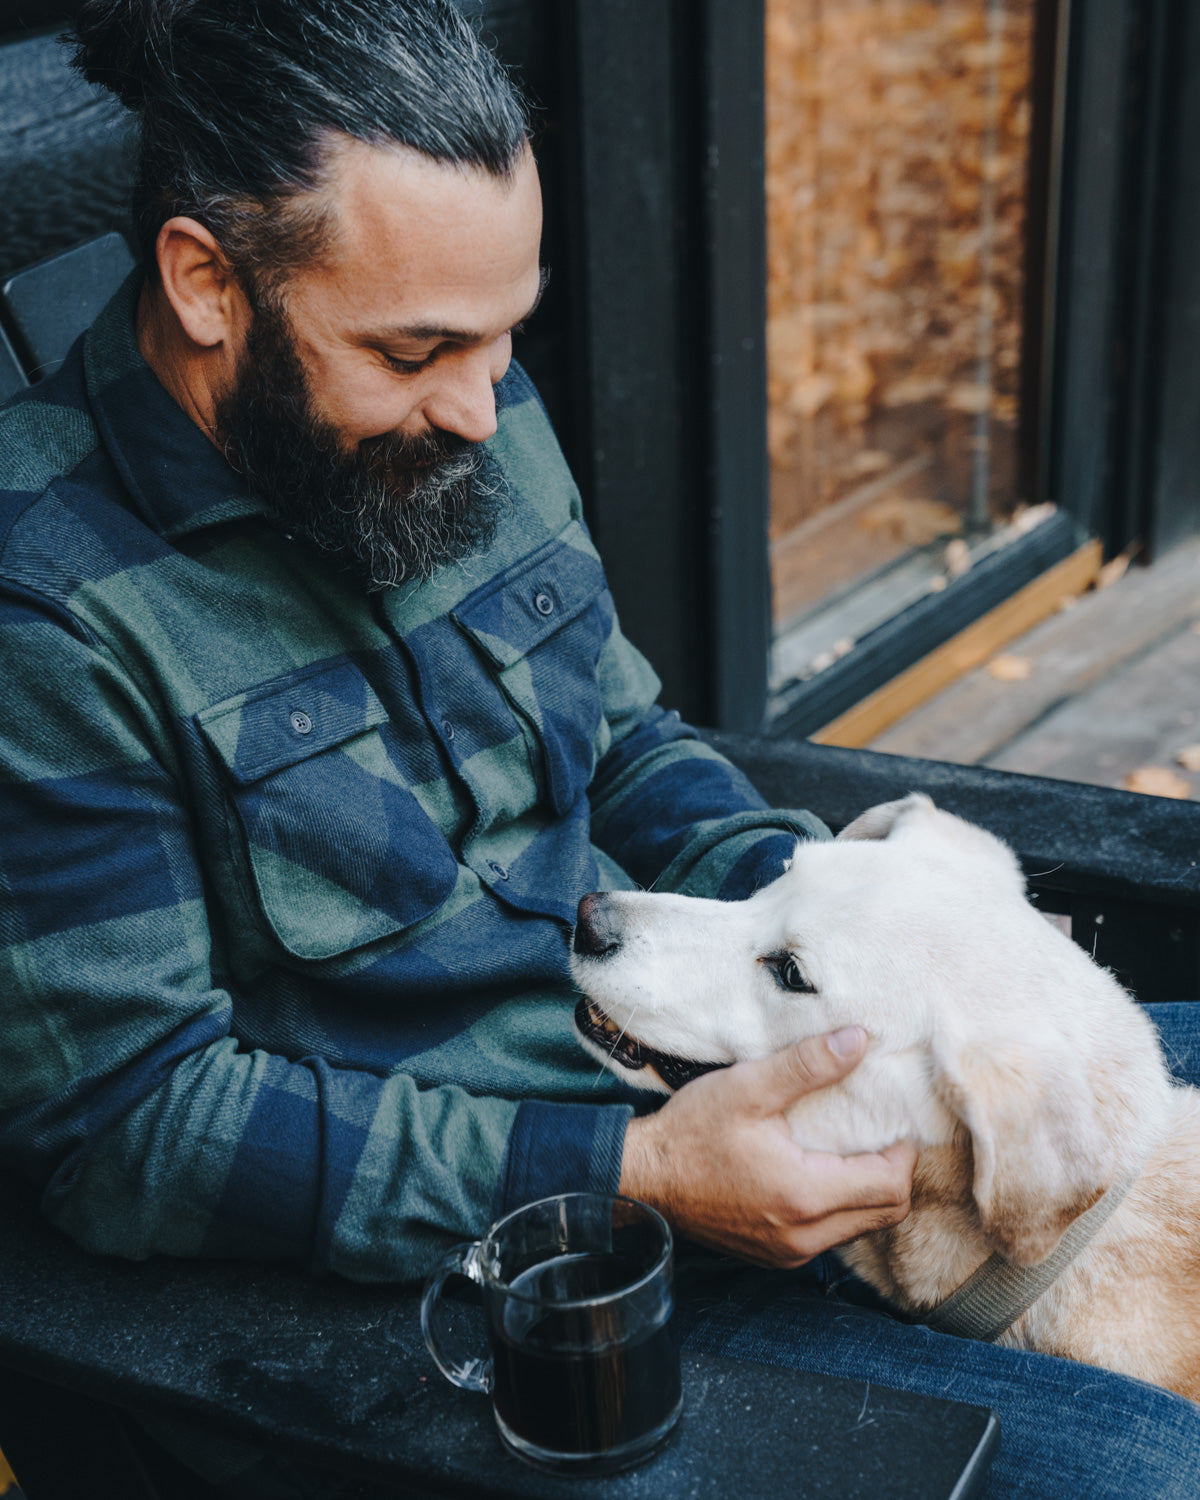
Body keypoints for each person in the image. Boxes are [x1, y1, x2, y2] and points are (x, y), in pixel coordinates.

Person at [0, 2, 1197, 1496]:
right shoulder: (45, 615)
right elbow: (130, 1131)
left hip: (691, 1061)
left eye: (507, 335)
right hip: (510, 1279)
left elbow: (624, 737)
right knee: (1144, 1467)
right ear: (205, 285)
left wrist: (816, 929)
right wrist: (641, 1177)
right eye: (416, 349)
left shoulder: (454, 405)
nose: (482, 408)